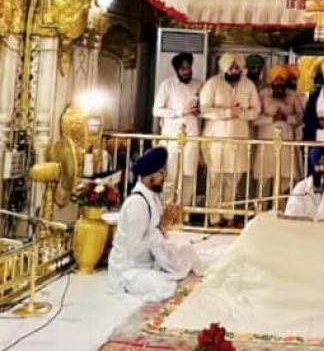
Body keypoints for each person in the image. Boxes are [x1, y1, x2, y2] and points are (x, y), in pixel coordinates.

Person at [108, 147, 202, 302]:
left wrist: (163, 229)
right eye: (161, 172)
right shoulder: (136, 203)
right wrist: (161, 227)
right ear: (149, 175)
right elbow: (134, 248)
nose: (164, 177)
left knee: (186, 248)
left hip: (149, 261)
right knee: (165, 286)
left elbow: (156, 237)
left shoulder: (152, 196)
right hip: (130, 269)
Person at [200, 53, 261, 224]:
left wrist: (241, 113)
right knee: (215, 181)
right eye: (231, 67)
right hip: (216, 141)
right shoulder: (213, 83)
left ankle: (229, 217)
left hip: (238, 140)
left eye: (237, 68)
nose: (235, 71)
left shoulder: (248, 85)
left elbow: (256, 110)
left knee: (233, 181)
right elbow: (203, 109)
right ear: (225, 68)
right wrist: (227, 113)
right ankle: (213, 219)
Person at [152, 52, 202, 207]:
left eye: (188, 68)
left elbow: (204, 109)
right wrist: (180, 112)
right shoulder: (167, 85)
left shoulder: (199, 84)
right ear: (177, 70)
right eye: (183, 69)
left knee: (189, 175)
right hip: (172, 138)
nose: (186, 71)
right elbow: (157, 110)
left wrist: (198, 111)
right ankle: (166, 210)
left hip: (192, 137)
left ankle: (184, 211)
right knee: (171, 176)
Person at [253, 65, 305, 203]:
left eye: (282, 80)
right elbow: (253, 118)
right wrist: (271, 119)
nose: (279, 83)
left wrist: (287, 118)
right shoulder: (262, 95)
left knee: (286, 181)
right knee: (263, 182)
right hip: (266, 144)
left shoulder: (293, 96)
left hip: (287, 144)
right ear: (271, 81)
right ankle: (261, 215)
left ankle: (282, 214)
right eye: (276, 80)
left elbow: (301, 117)